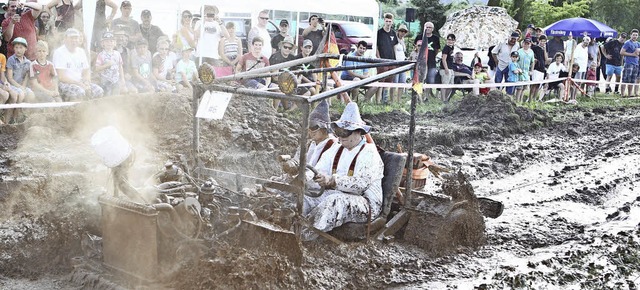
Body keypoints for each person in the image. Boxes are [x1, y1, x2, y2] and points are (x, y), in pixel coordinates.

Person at [302, 102, 384, 241]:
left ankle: (305, 236)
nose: (341, 136)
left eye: (346, 132)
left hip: (365, 203)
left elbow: (360, 185)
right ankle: (291, 225)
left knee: (333, 202)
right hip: (336, 193)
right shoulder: (336, 148)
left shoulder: (370, 153)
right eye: (339, 132)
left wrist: (332, 180)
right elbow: (318, 169)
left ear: (358, 131)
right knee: (306, 197)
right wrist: (303, 177)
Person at [281, 100, 338, 176]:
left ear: (324, 128)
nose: (310, 130)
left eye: (314, 127)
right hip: (304, 180)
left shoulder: (334, 146)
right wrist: (291, 165)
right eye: (308, 126)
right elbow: (297, 160)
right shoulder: (309, 144)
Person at [53, 28, 104, 101]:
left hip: (80, 82)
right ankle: (78, 111)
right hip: (64, 84)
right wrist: (80, 84)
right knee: (80, 92)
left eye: (76, 38)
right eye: (71, 38)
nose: (74, 40)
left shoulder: (81, 51)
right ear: (65, 39)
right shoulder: (59, 52)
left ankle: (93, 111)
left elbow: (86, 70)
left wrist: (86, 82)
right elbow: (61, 77)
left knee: (98, 91)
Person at [196, 5, 229, 70]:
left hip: (214, 55)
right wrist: (203, 21)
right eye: (207, 10)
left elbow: (227, 36)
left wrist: (220, 22)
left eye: (212, 11)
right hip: (201, 55)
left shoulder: (218, 24)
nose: (210, 12)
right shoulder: (199, 22)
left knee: (213, 77)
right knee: (200, 75)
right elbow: (196, 35)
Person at [94, 31, 126, 96]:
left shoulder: (117, 54)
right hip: (105, 81)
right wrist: (106, 65)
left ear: (115, 43)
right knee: (107, 97)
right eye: (107, 41)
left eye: (111, 41)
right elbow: (97, 68)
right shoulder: (101, 55)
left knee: (116, 96)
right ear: (102, 43)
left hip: (116, 80)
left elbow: (120, 66)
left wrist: (122, 79)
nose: (109, 43)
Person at [414, 22, 440, 101]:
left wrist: (432, 56)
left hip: (431, 62)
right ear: (424, 28)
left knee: (430, 80)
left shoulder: (435, 38)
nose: (428, 29)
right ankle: (419, 97)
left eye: (430, 27)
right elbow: (415, 48)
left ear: (432, 29)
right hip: (421, 63)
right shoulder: (419, 37)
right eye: (427, 27)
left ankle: (427, 96)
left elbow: (436, 50)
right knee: (420, 80)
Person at [375, 12, 398, 104]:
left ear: (392, 22)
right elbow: (376, 46)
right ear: (384, 21)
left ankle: (385, 99)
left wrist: (395, 60)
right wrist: (379, 57)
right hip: (382, 60)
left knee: (389, 81)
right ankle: (378, 100)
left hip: (391, 60)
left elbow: (395, 46)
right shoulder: (379, 33)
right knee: (381, 81)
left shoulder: (393, 33)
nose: (388, 23)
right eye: (387, 21)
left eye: (390, 21)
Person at [6, 37, 34, 103]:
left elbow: (26, 77)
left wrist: (23, 87)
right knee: (21, 93)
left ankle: (24, 111)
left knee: (31, 94)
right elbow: (10, 78)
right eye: (16, 47)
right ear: (14, 48)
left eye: (21, 47)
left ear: (25, 49)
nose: (18, 50)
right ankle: (16, 112)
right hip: (12, 85)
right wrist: (20, 87)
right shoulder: (11, 60)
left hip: (22, 85)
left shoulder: (28, 62)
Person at [620, 29, 640, 97]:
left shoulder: (638, 44)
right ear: (631, 35)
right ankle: (622, 94)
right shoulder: (627, 42)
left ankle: (630, 94)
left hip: (636, 64)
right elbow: (621, 52)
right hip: (628, 63)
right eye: (633, 35)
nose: (635, 36)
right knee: (625, 79)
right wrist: (632, 54)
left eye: (636, 35)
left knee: (632, 80)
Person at [392, 24, 408, 102]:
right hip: (396, 63)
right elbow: (394, 51)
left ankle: (399, 100)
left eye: (404, 31)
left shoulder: (403, 40)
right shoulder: (395, 39)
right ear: (398, 31)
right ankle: (393, 99)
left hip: (403, 63)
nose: (403, 33)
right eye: (401, 31)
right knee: (395, 81)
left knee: (402, 81)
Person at [530, 35, 548, 101]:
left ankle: (534, 99)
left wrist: (545, 49)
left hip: (542, 69)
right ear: (539, 41)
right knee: (534, 84)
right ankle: (530, 98)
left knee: (538, 85)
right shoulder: (535, 48)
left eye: (544, 41)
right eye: (542, 41)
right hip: (536, 68)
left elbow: (546, 59)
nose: (543, 43)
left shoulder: (544, 49)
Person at [440, 33, 455, 101]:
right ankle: (443, 99)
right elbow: (443, 59)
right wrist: (446, 69)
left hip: (451, 68)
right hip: (445, 68)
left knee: (450, 86)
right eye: (449, 39)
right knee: (445, 85)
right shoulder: (446, 48)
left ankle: (446, 99)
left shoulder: (452, 48)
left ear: (454, 41)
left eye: (452, 40)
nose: (450, 41)